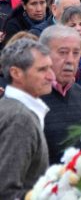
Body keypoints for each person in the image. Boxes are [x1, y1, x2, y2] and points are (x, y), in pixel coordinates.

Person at [0, 39, 55, 199]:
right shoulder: (19, 119)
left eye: (50, 68)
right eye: (42, 70)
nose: (51, 76)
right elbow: (5, 192)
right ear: (16, 73)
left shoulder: (14, 109)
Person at [39, 25, 81, 163]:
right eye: (63, 52)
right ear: (43, 55)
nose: (70, 60)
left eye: (76, 53)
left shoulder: (78, 92)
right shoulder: (31, 96)